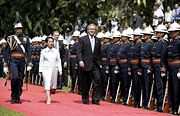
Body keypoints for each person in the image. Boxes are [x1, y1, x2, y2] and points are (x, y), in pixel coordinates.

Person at [3, 22, 32, 104]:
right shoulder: (11, 38)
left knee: (20, 79)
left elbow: (28, 51)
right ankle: (13, 95)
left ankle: (18, 97)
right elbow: (6, 51)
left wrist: (29, 63)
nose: (19, 30)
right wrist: (5, 64)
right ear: (15, 30)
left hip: (22, 60)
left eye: (20, 28)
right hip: (13, 60)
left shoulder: (26, 39)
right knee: (14, 77)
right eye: (17, 29)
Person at [77, 24, 102, 105]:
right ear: (87, 30)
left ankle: (95, 99)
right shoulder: (82, 39)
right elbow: (79, 51)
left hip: (95, 64)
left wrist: (100, 63)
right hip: (86, 64)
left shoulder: (98, 40)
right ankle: (85, 99)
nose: (92, 31)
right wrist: (80, 60)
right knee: (86, 82)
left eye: (94, 29)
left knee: (97, 80)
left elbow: (99, 53)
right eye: (90, 29)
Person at [39, 36, 62, 104]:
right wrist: (40, 71)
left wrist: (60, 69)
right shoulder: (43, 51)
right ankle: (48, 98)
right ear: (46, 43)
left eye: (52, 42)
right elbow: (41, 61)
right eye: (49, 42)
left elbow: (58, 60)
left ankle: (48, 94)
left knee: (52, 84)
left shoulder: (56, 51)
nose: (51, 43)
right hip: (46, 69)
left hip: (54, 69)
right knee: (47, 82)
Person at [167, 22, 180, 115]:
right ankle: (172, 107)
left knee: (176, 88)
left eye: (172, 31)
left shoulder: (179, 42)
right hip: (171, 66)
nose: (170, 33)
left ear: (177, 32)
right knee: (171, 88)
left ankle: (176, 108)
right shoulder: (171, 42)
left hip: (177, 66)